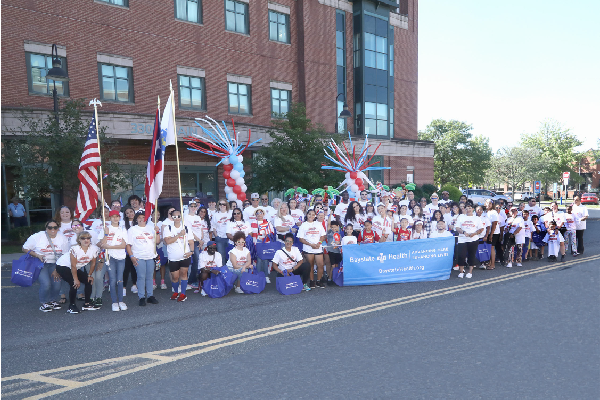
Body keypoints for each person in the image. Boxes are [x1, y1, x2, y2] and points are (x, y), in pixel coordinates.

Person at [23, 220, 69, 312]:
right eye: (50, 227)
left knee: (57, 283)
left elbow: (65, 254)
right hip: (40, 263)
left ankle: (52, 301)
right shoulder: (37, 236)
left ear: (58, 228)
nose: (53, 229)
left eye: (55, 227)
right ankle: (44, 302)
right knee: (46, 283)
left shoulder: (62, 238)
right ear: (46, 228)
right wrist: (37, 255)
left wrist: (57, 269)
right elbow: (24, 248)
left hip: (56, 263)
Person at [55, 231, 100, 313]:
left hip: (75, 267)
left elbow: (93, 263)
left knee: (88, 281)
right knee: (74, 283)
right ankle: (71, 306)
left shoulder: (94, 249)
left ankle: (87, 303)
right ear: (79, 240)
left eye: (88, 238)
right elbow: (73, 266)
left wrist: (89, 275)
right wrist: (75, 279)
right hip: (63, 266)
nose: (86, 240)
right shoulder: (74, 249)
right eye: (83, 238)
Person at [126, 212, 160, 306]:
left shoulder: (151, 228)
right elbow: (128, 245)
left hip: (150, 256)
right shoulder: (132, 230)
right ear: (136, 219)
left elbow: (157, 242)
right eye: (139, 217)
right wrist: (131, 256)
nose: (141, 219)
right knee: (141, 277)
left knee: (150, 277)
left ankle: (150, 296)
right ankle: (141, 297)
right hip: (138, 257)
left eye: (143, 217)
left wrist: (157, 232)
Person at [98, 210, 128, 312]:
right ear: (109, 218)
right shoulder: (106, 228)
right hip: (110, 257)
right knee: (112, 280)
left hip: (121, 257)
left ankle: (121, 301)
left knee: (120, 279)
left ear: (120, 218)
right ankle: (114, 302)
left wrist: (110, 246)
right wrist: (106, 235)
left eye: (117, 216)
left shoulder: (123, 229)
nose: (115, 218)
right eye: (113, 216)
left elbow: (124, 245)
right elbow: (101, 243)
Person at [164, 210, 194, 302]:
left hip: (185, 255)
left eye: (179, 216)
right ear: (171, 217)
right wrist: (179, 234)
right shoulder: (168, 228)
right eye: (174, 216)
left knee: (184, 274)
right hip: (173, 256)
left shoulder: (186, 228)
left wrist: (191, 251)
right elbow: (167, 241)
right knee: (175, 276)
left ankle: (183, 294)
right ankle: (176, 292)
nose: (177, 218)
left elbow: (191, 241)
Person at [298, 209, 326, 289]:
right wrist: (310, 244)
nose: (311, 216)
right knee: (310, 265)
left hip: (318, 247)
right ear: (307, 215)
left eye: (313, 214)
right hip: (308, 248)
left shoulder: (318, 224)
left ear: (315, 216)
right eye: (309, 214)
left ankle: (319, 281)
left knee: (320, 265)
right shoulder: (303, 225)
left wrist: (319, 243)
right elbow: (301, 239)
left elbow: (323, 235)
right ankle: (312, 281)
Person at [454, 204, 483, 278]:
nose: (468, 210)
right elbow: (457, 227)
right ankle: (461, 271)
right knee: (461, 255)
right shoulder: (461, 217)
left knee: (471, 255)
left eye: (470, 208)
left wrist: (475, 233)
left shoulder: (477, 218)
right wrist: (463, 232)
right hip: (462, 239)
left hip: (473, 239)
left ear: (473, 209)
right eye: (466, 208)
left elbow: (481, 229)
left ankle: (470, 272)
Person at [184, 203, 204, 289]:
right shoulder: (186, 217)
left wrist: (201, 240)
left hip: (199, 242)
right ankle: (191, 280)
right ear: (188, 207)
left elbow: (201, 229)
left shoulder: (198, 217)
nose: (193, 208)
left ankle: (193, 279)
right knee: (196, 261)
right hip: (192, 241)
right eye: (191, 206)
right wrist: (198, 240)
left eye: (194, 206)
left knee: (198, 261)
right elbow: (189, 231)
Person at [253, 208, 275, 283]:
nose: (259, 214)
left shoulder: (268, 222)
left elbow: (272, 232)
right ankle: (258, 276)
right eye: (257, 213)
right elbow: (251, 233)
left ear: (263, 214)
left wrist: (268, 234)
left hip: (265, 243)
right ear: (255, 214)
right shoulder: (252, 223)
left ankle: (266, 276)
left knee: (265, 260)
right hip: (256, 243)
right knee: (258, 260)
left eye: (261, 212)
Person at [122, 206, 138, 296]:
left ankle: (134, 285)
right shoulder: (123, 224)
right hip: (126, 249)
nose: (130, 214)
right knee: (126, 268)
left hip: (136, 248)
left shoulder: (138, 222)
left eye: (131, 211)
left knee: (134, 268)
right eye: (127, 213)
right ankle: (123, 287)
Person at [324, 220, 342, 286]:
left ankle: (335, 279)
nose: (333, 229)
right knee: (333, 265)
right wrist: (330, 214)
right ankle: (329, 278)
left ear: (338, 227)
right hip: (331, 251)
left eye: (335, 227)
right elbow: (328, 224)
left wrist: (339, 243)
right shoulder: (329, 233)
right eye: (332, 227)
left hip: (338, 251)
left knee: (337, 266)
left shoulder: (340, 233)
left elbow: (341, 242)